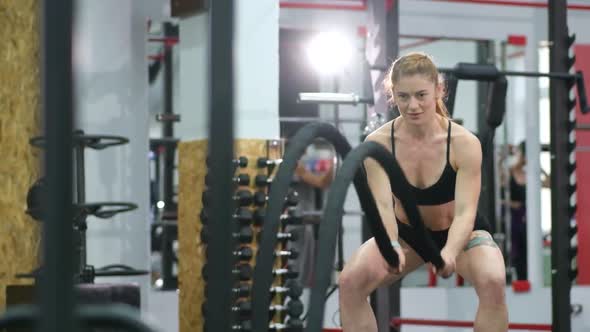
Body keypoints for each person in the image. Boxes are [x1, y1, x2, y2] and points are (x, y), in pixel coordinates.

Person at [338, 52, 508, 332]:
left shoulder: (464, 143)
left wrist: (450, 253)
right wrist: (390, 245)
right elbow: (382, 205)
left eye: (421, 95)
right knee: (350, 282)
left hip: (460, 234)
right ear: (393, 96)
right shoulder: (378, 143)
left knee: (493, 281)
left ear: (439, 90)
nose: (412, 105)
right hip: (406, 235)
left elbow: (466, 212)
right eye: (403, 96)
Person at [502, 141, 550, 281]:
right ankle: (516, 277)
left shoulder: (530, 175)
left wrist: (540, 168)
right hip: (513, 217)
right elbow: (497, 196)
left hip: (528, 218)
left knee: (529, 250)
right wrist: (511, 204)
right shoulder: (509, 172)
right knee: (516, 251)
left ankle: (529, 279)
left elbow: (549, 183)